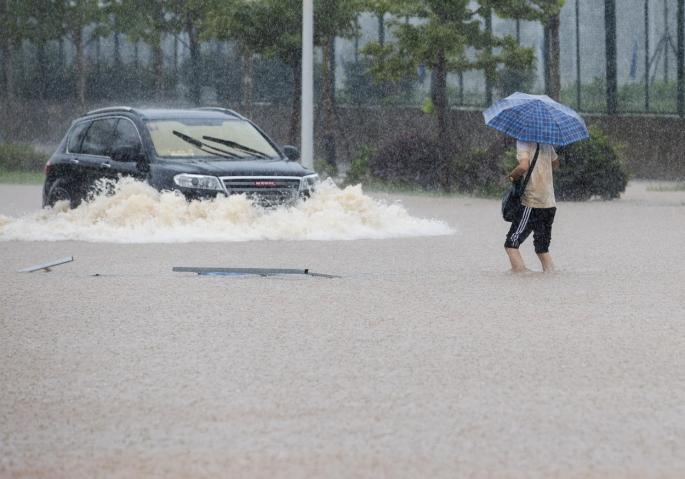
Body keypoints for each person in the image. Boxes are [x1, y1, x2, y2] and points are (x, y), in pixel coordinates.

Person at [504, 140, 560, 273]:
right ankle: (551, 277)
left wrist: (511, 177)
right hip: (549, 203)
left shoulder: (523, 142)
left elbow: (523, 166)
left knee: (511, 244)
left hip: (532, 202)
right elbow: (556, 163)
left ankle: (522, 276)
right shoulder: (546, 142)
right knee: (542, 248)